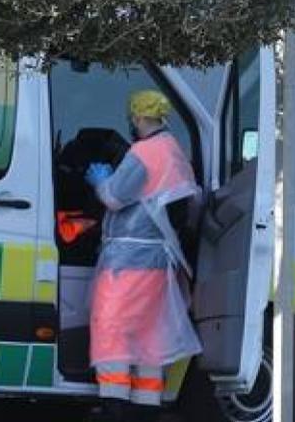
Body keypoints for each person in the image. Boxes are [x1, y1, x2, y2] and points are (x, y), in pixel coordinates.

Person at [83, 89, 203, 422]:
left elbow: (113, 198)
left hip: (127, 261)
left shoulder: (144, 152)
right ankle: (146, 406)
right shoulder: (174, 150)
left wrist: (101, 181)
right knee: (150, 335)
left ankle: (114, 404)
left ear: (137, 117)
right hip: (159, 263)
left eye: (133, 118)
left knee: (112, 329)